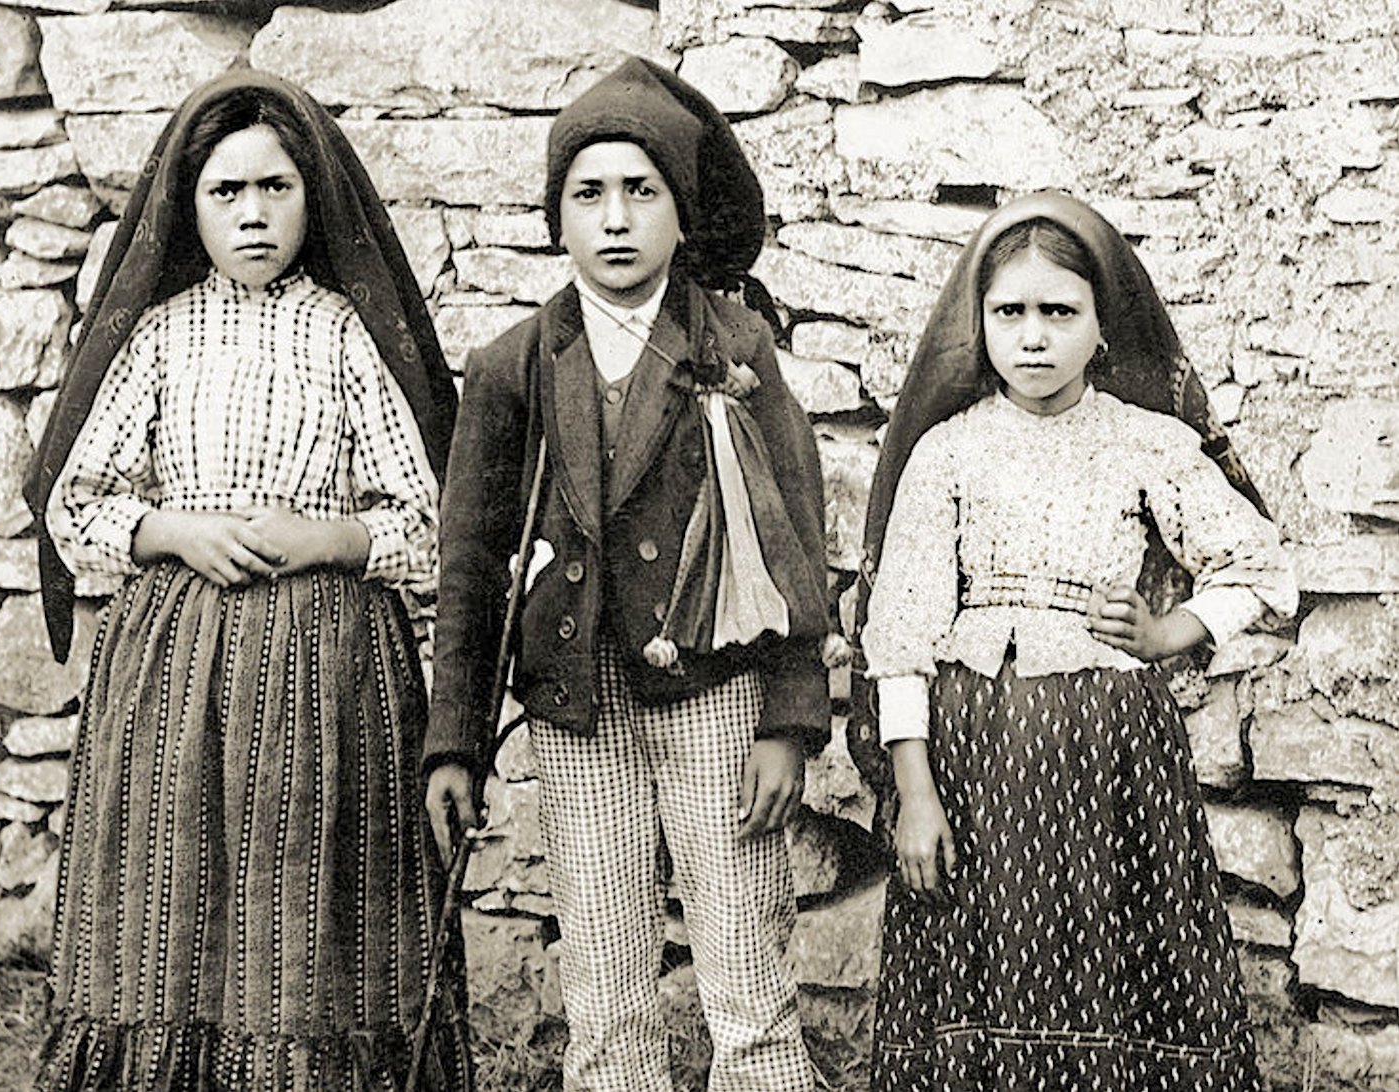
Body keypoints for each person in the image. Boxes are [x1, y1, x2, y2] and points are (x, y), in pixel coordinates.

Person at [24, 70, 471, 1092]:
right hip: (173, 662)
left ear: (313, 197)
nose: (253, 214)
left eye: (276, 187)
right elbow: (75, 502)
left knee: (305, 891)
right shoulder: (160, 334)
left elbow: (426, 517)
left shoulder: (346, 332)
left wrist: (325, 540)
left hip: (328, 660)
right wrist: (172, 530)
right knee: (167, 883)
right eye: (226, 192)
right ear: (189, 207)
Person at [423, 57, 829, 1092]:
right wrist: (455, 740)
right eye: (588, 194)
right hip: (577, 705)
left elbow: (792, 534)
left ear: (680, 215)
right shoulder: (514, 365)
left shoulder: (733, 346)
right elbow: (471, 564)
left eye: (641, 192)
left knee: (744, 959)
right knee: (604, 978)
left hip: (714, 690)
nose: (615, 220)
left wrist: (788, 720)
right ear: (555, 215)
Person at [859, 190, 1299, 1091]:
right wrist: (916, 792)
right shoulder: (947, 452)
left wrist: (1171, 629)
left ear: (1103, 327)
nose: (1033, 337)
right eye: (1009, 313)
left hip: (1114, 759)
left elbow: (1259, 562)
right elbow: (901, 633)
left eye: (1059, 312)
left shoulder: (1148, 443)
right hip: (976, 761)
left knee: (1114, 950)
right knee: (988, 947)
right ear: (979, 324)